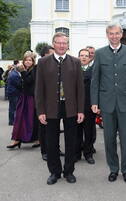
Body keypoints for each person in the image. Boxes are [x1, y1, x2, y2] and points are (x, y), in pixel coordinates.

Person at [90, 22, 126, 183]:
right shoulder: (100, 53)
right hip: (106, 103)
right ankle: (113, 168)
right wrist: (94, 102)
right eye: (111, 33)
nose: (114, 36)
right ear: (107, 35)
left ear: (121, 34)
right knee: (109, 139)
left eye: (117, 33)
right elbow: (95, 80)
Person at [35, 32, 85, 185]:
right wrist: (40, 111)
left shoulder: (75, 62)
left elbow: (80, 89)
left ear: (68, 45)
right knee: (51, 142)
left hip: (71, 107)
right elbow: (39, 89)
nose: (62, 45)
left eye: (65, 43)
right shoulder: (43, 62)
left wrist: (81, 110)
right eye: (59, 42)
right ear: (53, 44)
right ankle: (54, 172)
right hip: (50, 108)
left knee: (71, 141)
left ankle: (69, 171)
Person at [6, 53, 39, 148]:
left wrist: (23, 72)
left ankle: (37, 139)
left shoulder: (35, 70)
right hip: (23, 97)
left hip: (31, 98)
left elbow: (29, 81)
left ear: (33, 62)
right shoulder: (23, 70)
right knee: (19, 118)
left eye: (30, 60)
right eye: (26, 60)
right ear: (23, 61)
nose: (28, 62)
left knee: (32, 119)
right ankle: (16, 139)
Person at [76, 48, 96, 164]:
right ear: (78, 57)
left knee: (89, 131)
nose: (83, 58)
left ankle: (88, 154)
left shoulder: (94, 71)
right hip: (76, 106)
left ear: (90, 58)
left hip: (89, 106)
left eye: (86, 56)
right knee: (76, 131)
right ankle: (76, 153)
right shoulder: (73, 70)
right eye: (81, 55)